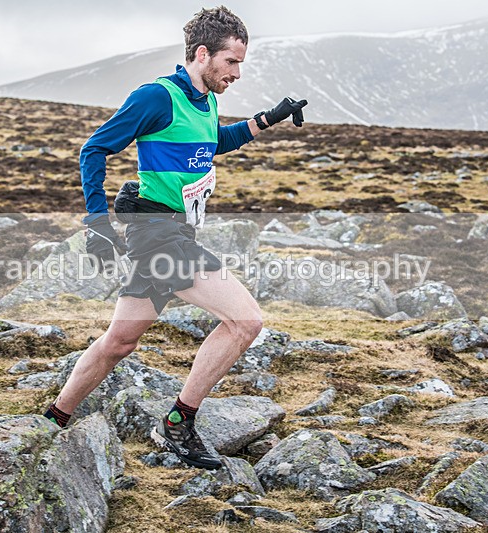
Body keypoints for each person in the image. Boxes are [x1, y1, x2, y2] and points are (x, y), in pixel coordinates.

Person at [44, 5, 307, 470]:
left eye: (242, 63)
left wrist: (266, 119)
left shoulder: (205, 100)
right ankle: (177, 422)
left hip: (172, 229)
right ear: (202, 54)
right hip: (157, 234)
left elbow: (212, 144)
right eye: (231, 62)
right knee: (245, 322)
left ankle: (52, 419)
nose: (238, 73)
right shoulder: (157, 96)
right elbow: (94, 149)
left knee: (119, 342)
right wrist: (97, 224)